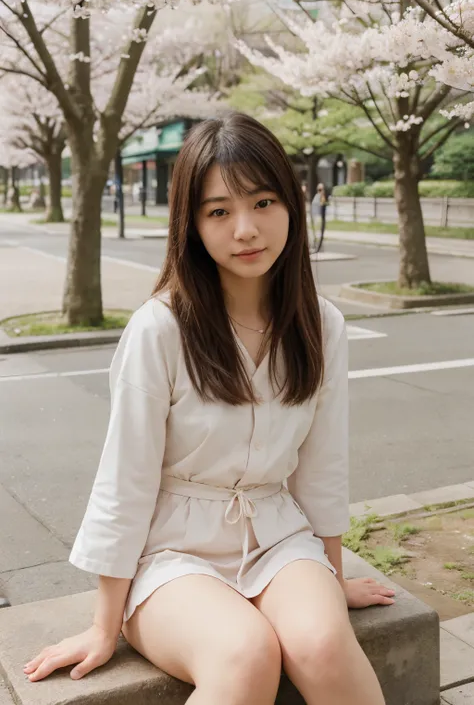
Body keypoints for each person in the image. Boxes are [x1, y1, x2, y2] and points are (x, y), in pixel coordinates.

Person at [23, 113, 395, 705]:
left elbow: (322, 467)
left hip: (279, 538)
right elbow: (127, 479)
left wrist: (330, 579)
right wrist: (103, 622)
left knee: (324, 642)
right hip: (173, 552)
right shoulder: (161, 328)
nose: (246, 229)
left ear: (292, 205)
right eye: (219, 211)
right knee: (245, 654)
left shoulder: (322, 325)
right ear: (191, 224)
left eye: (264, 201)